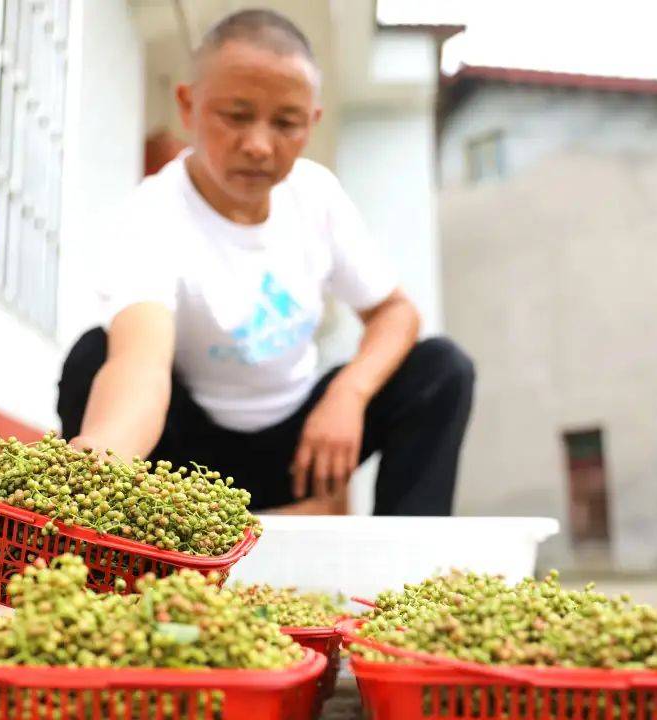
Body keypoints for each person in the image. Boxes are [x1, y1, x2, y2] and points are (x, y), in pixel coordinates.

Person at [58, 9, 474, 515]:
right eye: (235, 115)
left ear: (311, 123)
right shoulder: (152, 213)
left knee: (442, 369)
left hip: (297, 453)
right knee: (92, 355)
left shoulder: (316, 195)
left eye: (285, 123)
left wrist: (349, 393)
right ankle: (112, 552)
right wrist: (104, 455)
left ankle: (411, 574)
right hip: (185, 464)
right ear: (188, 107)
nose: (258, 145)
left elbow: (396, 312)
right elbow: (140, 365)